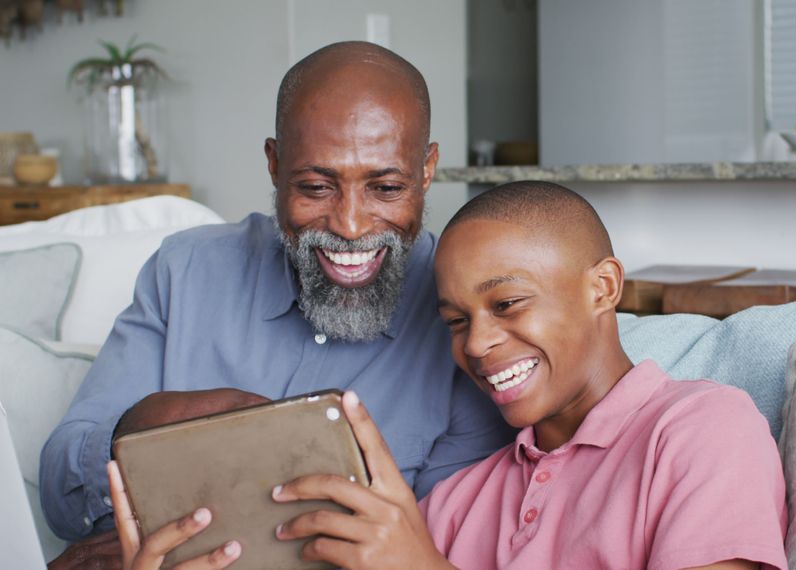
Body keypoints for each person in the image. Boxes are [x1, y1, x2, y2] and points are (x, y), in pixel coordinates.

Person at [111, 181, 788, 569]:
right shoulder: (459, 502)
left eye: (508, 303)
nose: (482, 344)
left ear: (603, 288)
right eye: (456, 320)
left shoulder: (700, 429)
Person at [41, 41, 512, 567]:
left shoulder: (465, 313)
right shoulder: (185, 270)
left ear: (427, 170)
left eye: (385, 187)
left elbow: (439, 546)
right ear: (274, 164)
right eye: (315, 186)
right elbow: (63, 493)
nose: (350, 226)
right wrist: (156, 422)